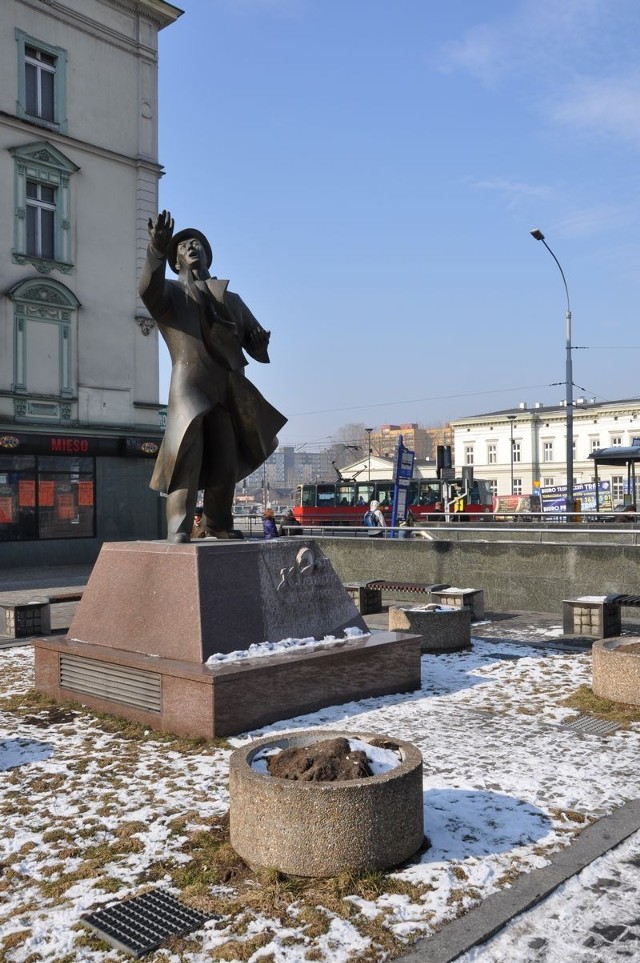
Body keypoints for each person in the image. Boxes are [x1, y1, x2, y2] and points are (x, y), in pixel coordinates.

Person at [139, 211, 287, 543]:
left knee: (226, 460)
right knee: (186, 457)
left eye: (198, 244)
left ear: (207, 255)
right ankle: (178, 526)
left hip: (227, 388)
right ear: (176, 261)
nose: (192, 247)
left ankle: (218, 523)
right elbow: (147, 290)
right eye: (185, 245)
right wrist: (156, 251)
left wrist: (260, 343)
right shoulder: (172, 296)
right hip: (190, 386)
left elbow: (257, 350)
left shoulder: (232, 299)